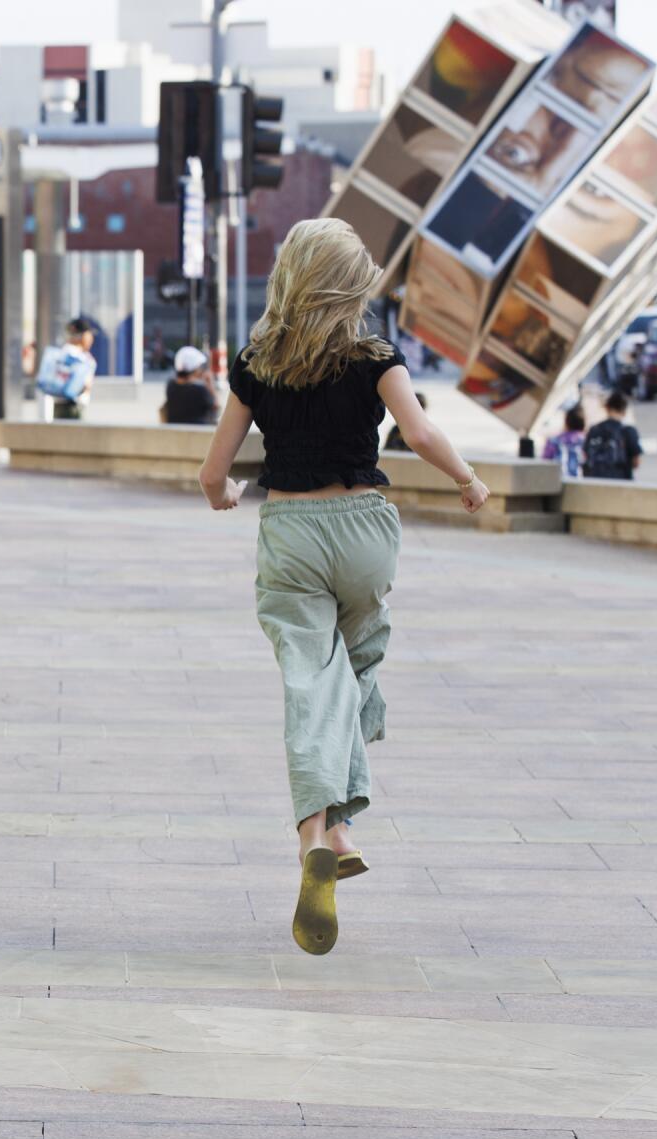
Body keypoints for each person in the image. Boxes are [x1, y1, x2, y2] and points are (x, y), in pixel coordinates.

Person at [197, 217, 489, 957]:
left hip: (293, 532)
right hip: (363, 530)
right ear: (351, 281)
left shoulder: (256, 361)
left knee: (309, 686)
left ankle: (312, 840)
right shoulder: (375, 356)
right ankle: (344, 829)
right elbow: (419, 434)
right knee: (350, 675)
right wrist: (467, 478)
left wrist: (227, 495)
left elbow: (212, 471)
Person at [37, 319, 98, 420]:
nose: (91, 339)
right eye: (89, 335)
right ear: (83, 336)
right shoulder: (82, 358)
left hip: (57, 404)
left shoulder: (60, 353)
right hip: (73, 406)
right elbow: (86, 385)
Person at [582, 392, 642, 480]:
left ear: (607, 408)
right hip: (621, 482)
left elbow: (586, 455)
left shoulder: (594, 430)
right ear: (625, 410)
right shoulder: (628, 431)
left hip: (594, 481)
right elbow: (636, 462)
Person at [161, 346, 218, 425]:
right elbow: (215, 407)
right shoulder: (201, 391)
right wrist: (210, 384)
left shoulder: (170, 386)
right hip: (199, 433)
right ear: (196, 369)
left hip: (174, 432)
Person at [543, 406, 588, 479]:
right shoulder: (586, 441)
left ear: (566, 422)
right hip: (582, 484)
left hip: (558, 482)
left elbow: (545, 463)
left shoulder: (553, 441)